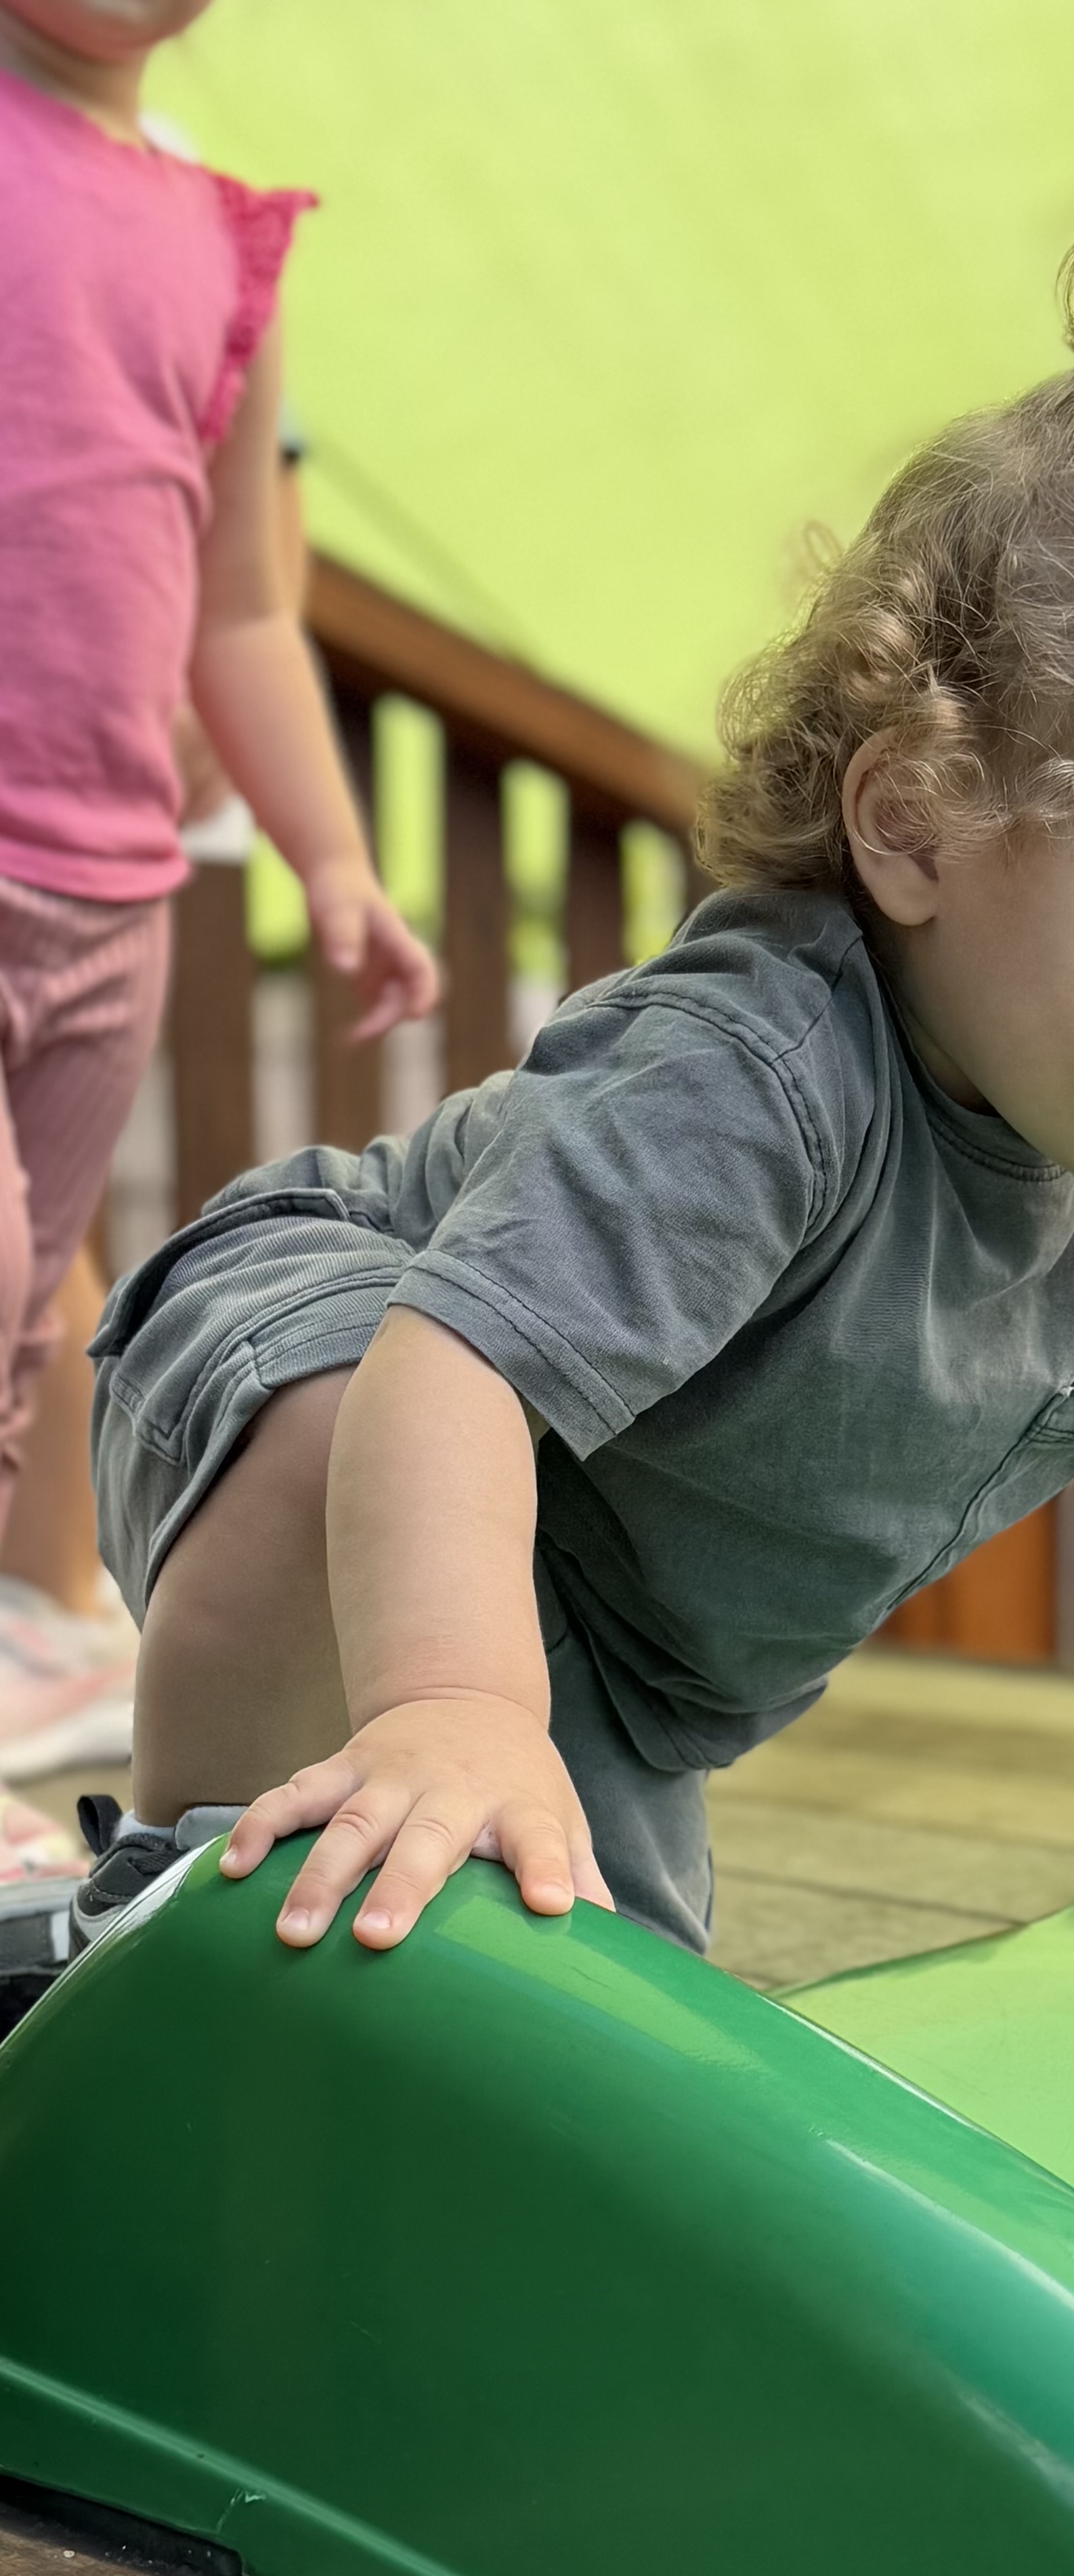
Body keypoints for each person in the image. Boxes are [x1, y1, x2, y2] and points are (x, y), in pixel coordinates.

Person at [7, 174, 1074, 2023]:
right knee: (347, 1477)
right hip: (347, 1354)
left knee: (598, 2029)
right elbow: (455, 1366)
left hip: (618, 1633)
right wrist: (454, 1706)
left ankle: (92, 1953)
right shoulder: (761, 1073)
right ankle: (172, 1911)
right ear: (916, 824)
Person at [0, 0, 436, 1897]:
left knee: (26, 1318)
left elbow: (244, 609)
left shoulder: (215, 236)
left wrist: (330, 856)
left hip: (109, 890)